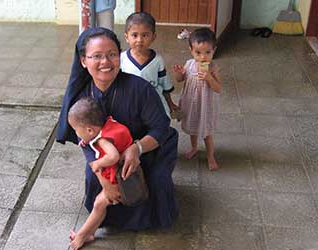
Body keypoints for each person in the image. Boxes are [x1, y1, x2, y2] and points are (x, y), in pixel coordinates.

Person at [56, 27, 178, 236]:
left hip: (149, 147)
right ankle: (107, 219)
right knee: (95, 178)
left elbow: (161, 128)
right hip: (104, 154)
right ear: (84, 61)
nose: (106, 62)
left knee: (156, 179)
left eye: (112, 54)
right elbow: (83, 138)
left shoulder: (140, 88)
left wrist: (136, 149)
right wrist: (101, 174)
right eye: (97, 56)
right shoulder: (82, 95)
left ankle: (150, 218)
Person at [67, 97, 133, 249]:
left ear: (89, 130)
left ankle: (82, 235)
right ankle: (90, 233)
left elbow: (113, 156)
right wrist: (88, 140)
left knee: (98, 204)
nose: (77, 134)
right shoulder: (107, 125)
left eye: (77, 130)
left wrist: (98, 163)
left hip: (120, 181)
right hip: (119, 174)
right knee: (100, 205)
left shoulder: (103, 140)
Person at [172, 28, 223, 171]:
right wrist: (179, 74)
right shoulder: (189, 64)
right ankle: (194, 148)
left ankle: (210, 156)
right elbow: (180, 80)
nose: (203, 57)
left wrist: (209, 78)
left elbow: (219, 88)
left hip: (206, 105)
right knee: (193, 129)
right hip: (191, 103)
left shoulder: (212, 68)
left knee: (206, 133)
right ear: (191, 50)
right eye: (198, 53)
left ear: (214, 50)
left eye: (208, 52)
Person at [121, 12, 179, 118]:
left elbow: (164, 85)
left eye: (145, 35)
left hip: (153, 103)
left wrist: (170, 103)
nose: (139, 40)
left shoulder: (158, 60)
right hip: (130, 103)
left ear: (153, 37)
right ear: (126, 37)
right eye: (134, 35)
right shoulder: (121, 59)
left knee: (160, 125)